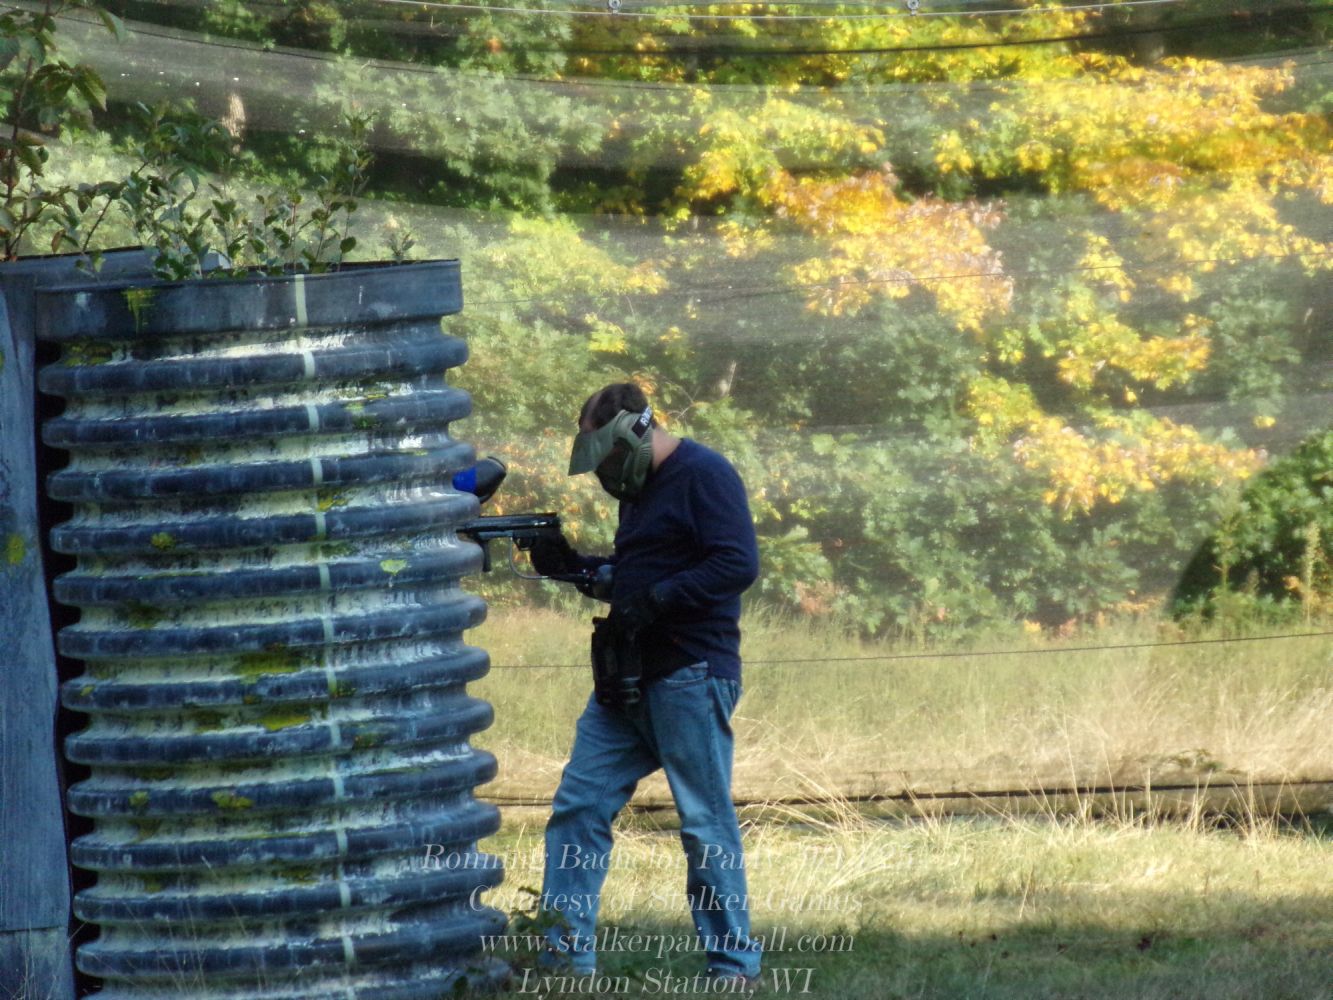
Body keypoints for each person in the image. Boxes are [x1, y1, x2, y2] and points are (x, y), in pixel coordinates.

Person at [528, 381, 763, 986]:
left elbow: (737, 563)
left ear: (637, 430)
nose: (605, 472)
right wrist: (572, 567)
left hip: (689, 671)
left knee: (703, 823)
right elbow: (635, 576)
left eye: (606, 456)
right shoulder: (640, 494)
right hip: (627, 678)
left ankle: (734, 966)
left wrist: (658, 600)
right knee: (579, 807)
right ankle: (563, 962)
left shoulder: (704, 473)